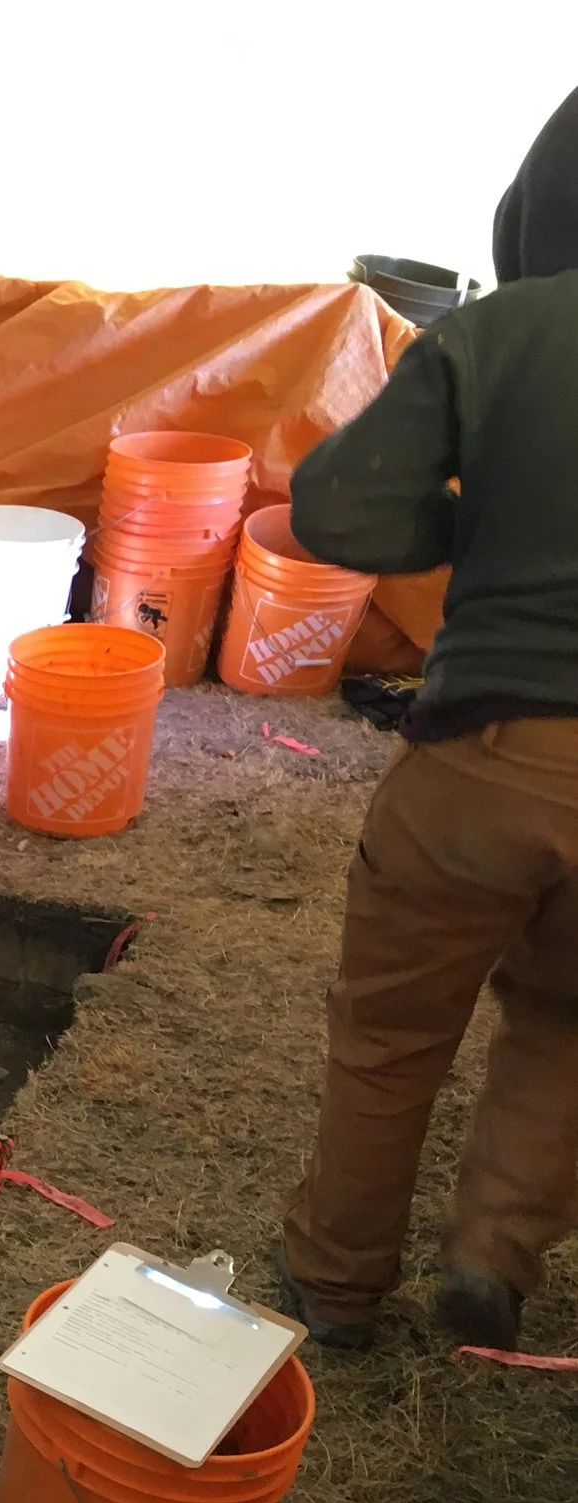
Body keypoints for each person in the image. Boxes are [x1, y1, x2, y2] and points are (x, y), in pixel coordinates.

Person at [278, 90, 578, 1355]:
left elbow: (335, 511)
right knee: (567, 1026)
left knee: (390, 1033)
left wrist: (471, 534)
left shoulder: (500, 330)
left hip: (485, 754)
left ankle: (338, 1288)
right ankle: (492, 1256)